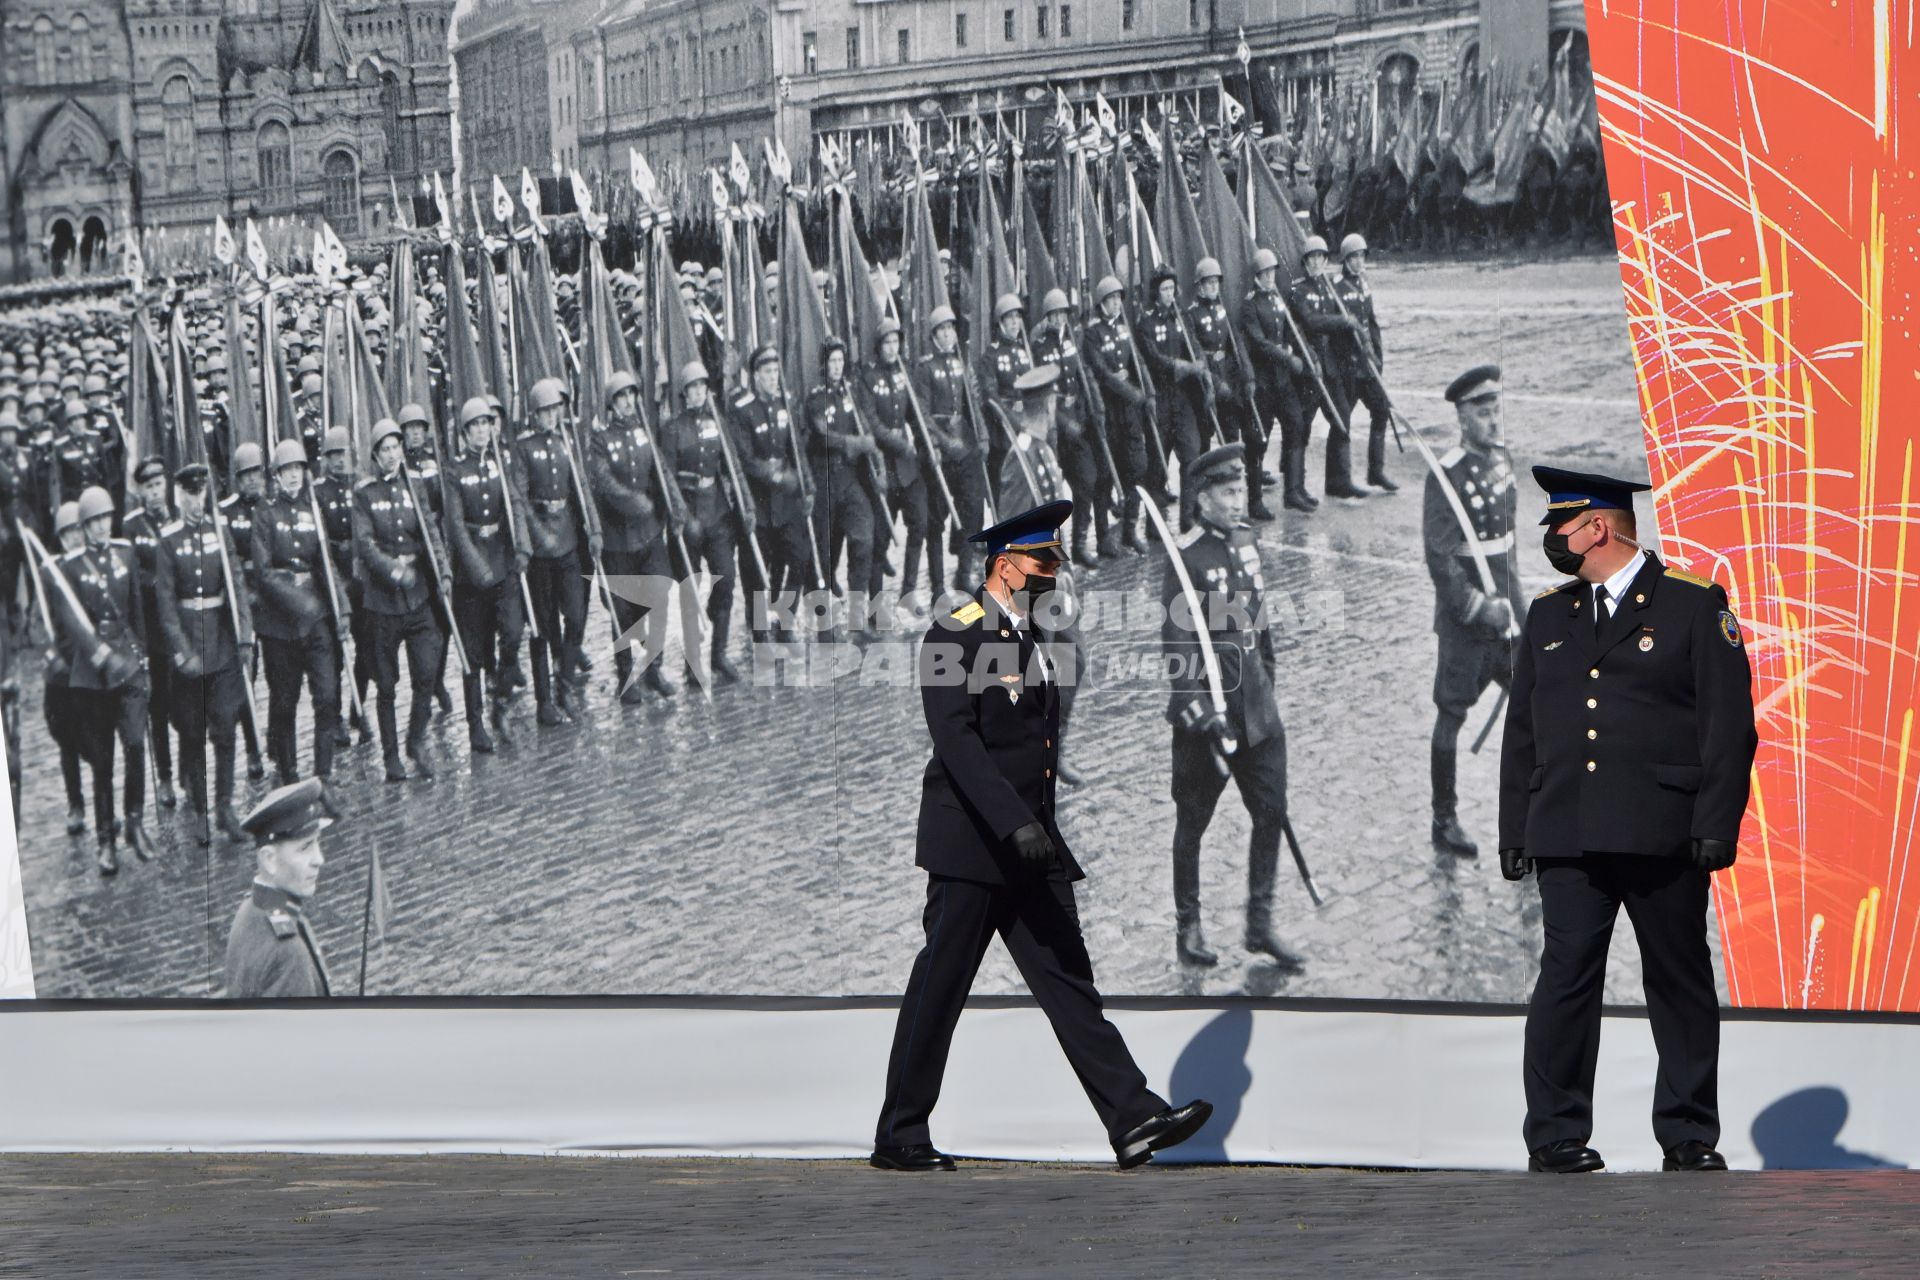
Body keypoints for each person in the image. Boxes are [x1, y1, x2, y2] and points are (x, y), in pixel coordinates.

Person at [871, 500, 1213, 1173]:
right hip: (974, 848)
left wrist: (1039, 827)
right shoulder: (954, 631)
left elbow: (1042, 738)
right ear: (1004, 566)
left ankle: (1134, 1117)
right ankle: (900, 1134)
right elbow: (958, 742)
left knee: (1069, 983)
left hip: (1032, 847)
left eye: (1055, 559)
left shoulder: (1034, 637)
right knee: (939, 989)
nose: (1055, 570)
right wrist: (1015, 821)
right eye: (1043, 561)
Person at [1498, 467, 1757, 1175]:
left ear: (1599, 528)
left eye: (1561, 524)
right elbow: (1524, 731)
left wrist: (1715, 823)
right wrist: (1515, 830)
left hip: (1661, 830)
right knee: (1565, 977)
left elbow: (1728, 728)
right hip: (1567, 833)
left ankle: (1688, 1133)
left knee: (1678, 979)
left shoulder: (1691, 606)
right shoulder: (1551, 614)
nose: (1552, 537)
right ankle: (1554, 1134)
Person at [1160, 446, 1303, 971]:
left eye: (1240, 489)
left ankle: (1260, 924)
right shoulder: (1187, 558)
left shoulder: (1246, 542)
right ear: (1201, 498)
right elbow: (1177, 645)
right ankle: (1188, 925)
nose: (1236, 499)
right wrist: (1198, 709)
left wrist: (1267, 682)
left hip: (1255, 710)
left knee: (1271, 811)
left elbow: (1259, 627)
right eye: (1226, 491)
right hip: (1209, 719)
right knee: (1193, 822)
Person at [1425, 366, 1526, 858]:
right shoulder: (1447, 475)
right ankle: (1444, 818)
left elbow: (1508, 550)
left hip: (1508, 616)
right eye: (1482, 413)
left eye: (1495, 411)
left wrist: (1519, 614)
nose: (1492, 421)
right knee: (1452, 714)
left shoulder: (1502, 462)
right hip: (1466, 625)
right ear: (1462, 418)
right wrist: (1477, 607)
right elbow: (1440, 559)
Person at [51, 485, 156, 872]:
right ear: (83, 525)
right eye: (92, 522)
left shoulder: (125, 552)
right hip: (92, 678)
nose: (99, 527)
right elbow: (72, 625)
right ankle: (105, 841)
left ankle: (134, 821)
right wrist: (97, 654)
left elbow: (137, 613)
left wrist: (142, 660)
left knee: (134, 744)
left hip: (127, 664)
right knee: (101, 762)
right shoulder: (70, 568)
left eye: (104, 519)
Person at [153, 463, 253, 845]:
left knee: (225, 728)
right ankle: (200, 811)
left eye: (201, 494)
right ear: (178, 497)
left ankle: (225, 807)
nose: (197, 502)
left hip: (222, 644)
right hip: (189, 649)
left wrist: (244, 634)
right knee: (192, 733)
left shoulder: (219, 530)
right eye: (190, 495)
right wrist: (182, 652)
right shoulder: (169, 540)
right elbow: (165, 606)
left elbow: (237, 584)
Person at [353, 417, 447, 782]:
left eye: (396, 447)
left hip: (418, 594)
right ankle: (391, 755)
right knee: (387, 684)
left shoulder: (414, 484)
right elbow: (365, 545)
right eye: (386, 449)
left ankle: (416, 739)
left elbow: (429, 529)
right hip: (383, 601)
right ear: (376, 455)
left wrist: (442, 570)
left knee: (427, 667)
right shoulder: (364, 493)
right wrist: (394, 570)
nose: (393, 455)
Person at [251, 439, 343, 786]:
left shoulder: (313, 508)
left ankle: (323, 772)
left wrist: (341, 609)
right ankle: (288, 771)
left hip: (316, 617)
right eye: (286, 471)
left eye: (298, 470)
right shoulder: (264, 512)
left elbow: (324, 562)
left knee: (327, 695)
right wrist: (295, 597)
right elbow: (263, 572)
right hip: (280, 625)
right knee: (285, 701)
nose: (293, 477)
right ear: (276, 476)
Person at [444, 397, 530, 750]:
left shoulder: (498, 463)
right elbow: (455, 526)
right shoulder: (455, 471)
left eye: (485, 424)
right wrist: (475, 566)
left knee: (512, 632)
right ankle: (475, 721)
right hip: (471, 574)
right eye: (474, 425)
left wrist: (522, 546)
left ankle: (501, 702)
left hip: (502, 561)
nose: (482, 430)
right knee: (474, 652)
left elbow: (515, 506)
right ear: (464, 433)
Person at [587, 372, 677, 704]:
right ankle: (626, 675)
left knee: (658, 599)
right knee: (622, 609)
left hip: (650, 532)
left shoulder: (644, 432)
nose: (628, 401)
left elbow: (660, 470)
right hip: (617, 538)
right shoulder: (600, 440)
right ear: (611, 403)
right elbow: (603, 481)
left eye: (631, 395)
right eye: (621, 397)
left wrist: (674, 507)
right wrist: (632, 501)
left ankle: (655, 668)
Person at [516, 379, 596, 722]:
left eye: (555, 410)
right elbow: (519, 497)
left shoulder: (567, 441)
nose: (552, 416)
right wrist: (535, 536)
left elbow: (579, 486)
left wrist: (594, 527)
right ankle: (544, 701)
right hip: (539, 547)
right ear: (534, 414)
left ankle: (565, 682)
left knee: (576, 616)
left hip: (567, 540)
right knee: (542, 625)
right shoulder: (524, 448)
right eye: (546, 411)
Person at [727, 346, 815, 639]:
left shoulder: (785, 403)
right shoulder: (741, 409)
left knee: (800, 556)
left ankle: (786, 615)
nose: (773, 377)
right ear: (754, 375)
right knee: (756, 568)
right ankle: (758, 626)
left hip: (787, 502)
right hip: (759, 501)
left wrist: (808, 485)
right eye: (767, 372)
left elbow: (796, 450)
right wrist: (778, 476)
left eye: (776, 371)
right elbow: (746, 459)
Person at [663, 361, 742, 684]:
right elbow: (666, 475)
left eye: (702, 387)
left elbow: (730, 464)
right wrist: (680, 514)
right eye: (692, 388)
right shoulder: (672, 429)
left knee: (726, 578)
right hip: (688, 514)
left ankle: (718, 653)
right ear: (683, 393)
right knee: (690, 590)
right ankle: (693, 660)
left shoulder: (716, 422)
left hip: (717, 512)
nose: (698, 393)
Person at [223, 777, 334, 998]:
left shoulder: (251, 908)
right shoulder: (289, 952)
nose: (319, 859)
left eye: (317, 842)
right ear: (269, 860)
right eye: (305, 848)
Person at [1030, 289, 1111, 564]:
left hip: (1079, 414)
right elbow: (1043, 391)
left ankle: (1080, 543)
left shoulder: (1073, 337)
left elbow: (1084, 372)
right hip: (1054, 422)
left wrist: (1097, 405)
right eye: (1054, 314)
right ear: (1047, 317)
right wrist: (1064, 423)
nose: (1059, 318)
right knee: (1052, 491)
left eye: (1063, 313)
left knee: (1087, 481)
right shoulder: (1038, 344)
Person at [913, 306, 988, 591]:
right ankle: (937, 586)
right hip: (941, 451)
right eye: (942, 329)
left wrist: (982, 436)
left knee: (971, 509)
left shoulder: (962, 362)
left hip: (966, 447)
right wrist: (945, 443)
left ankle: (964, 573)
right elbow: (923, 414)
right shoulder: (925, 367)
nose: (948, 334)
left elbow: (973, 401)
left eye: (951, 328)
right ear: (933, 334)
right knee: (936, 521)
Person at [1240, 247, 1317, 513]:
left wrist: (1307, 356)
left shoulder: (1278, 299)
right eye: (1265, 273)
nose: (1270, 277)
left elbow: (1292, 332)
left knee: (1296, 425)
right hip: (1263, 383)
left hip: (1283, 382)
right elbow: (1260, 344)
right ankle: (1254, 500)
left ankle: (1294, 490)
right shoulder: (1250, 305)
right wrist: (1287, 358)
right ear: (1257, 276)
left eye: (1273, 272)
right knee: (1258, 441)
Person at [1082, 275, 1153, 554]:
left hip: (1130, 414)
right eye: (1110, 300)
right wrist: (1129, 390)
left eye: (1118, 299)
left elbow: (1136, 364)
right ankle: (1103, 537)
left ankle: (1129, 531)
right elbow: (1102, 373)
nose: (1115, 304)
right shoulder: (1092, 334)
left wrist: (1147, 393)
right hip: (1108, 411)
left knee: (1136, 468)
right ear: (1101, 304)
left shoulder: (1125, 329)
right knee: (1105, 475)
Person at [121, 457, 177, 810]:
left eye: (159, 485)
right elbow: (130, 576)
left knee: (185, 703)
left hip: (180, 628)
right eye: (148, 487)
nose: (155, 492)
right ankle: (167, 776)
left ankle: (188, 769)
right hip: (153, 631)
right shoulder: (132, 527)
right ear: (139, 490)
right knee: (158, 707)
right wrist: (157, 583)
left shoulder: (177, 519)